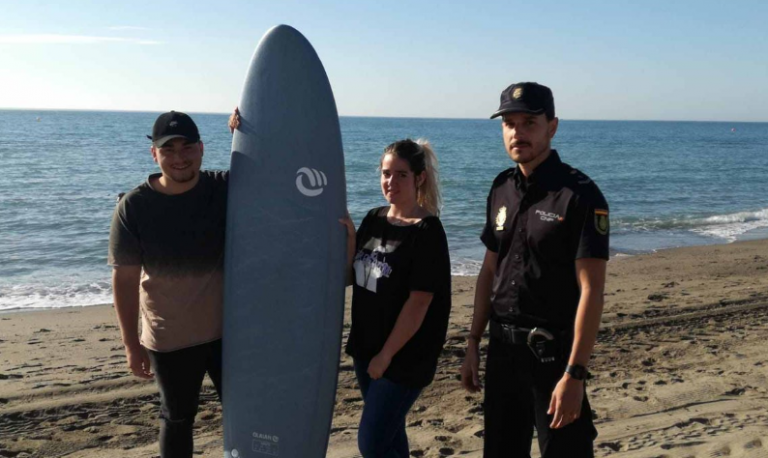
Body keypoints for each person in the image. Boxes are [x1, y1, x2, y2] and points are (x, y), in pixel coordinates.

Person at [460, 82, 609, 457]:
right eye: (509, 124)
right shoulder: (501, 188)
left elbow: (591, 290)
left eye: (529, 122)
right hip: (502, 354)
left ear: (552, 127)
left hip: (552, 356)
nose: (518, 132)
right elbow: (489, 269)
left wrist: (575, 374)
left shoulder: (579, 195)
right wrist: (474, 341)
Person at [108, 109, 239, 458]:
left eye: (187, 148)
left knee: (245, 414)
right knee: (178, 418)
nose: (179, 158)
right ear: (155, 154)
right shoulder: (134, 207)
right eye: (168, 150)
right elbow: (124, 279)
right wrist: (130, 344)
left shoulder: (223, 188)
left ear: (201, 149)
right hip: (169, 340)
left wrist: (244, 132)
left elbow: (270, 171)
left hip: (228, 334)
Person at [340, 139, 452, 458]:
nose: (391, 182)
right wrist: (350, 237)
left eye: (401, 174)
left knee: (372, 441)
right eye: (386, 173)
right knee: (390, 438)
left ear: (419, 178)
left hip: (404, 357)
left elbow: (419, 303)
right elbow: (353, 276)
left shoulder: (427, 231)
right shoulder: (374, 218)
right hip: (366, 347)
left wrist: (386, 356)